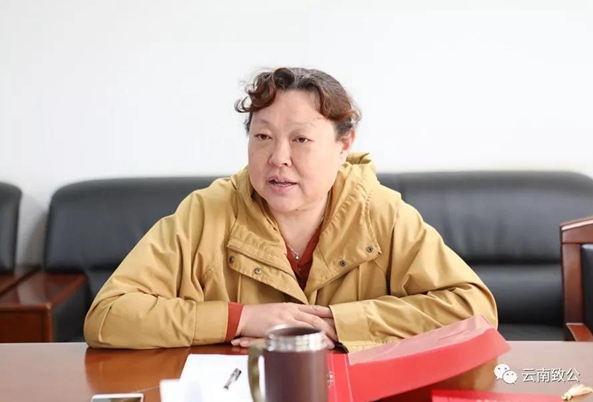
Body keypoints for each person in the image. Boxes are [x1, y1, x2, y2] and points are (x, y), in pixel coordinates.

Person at [83, 67, 498, 352]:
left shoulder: (380, 212)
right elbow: (108, 315)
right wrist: (242, 319)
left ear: (344, 145)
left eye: (301, 140)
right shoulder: (206, 212)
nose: (277, 158)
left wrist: (338, 324)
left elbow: (474, 309)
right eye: (263, 137)